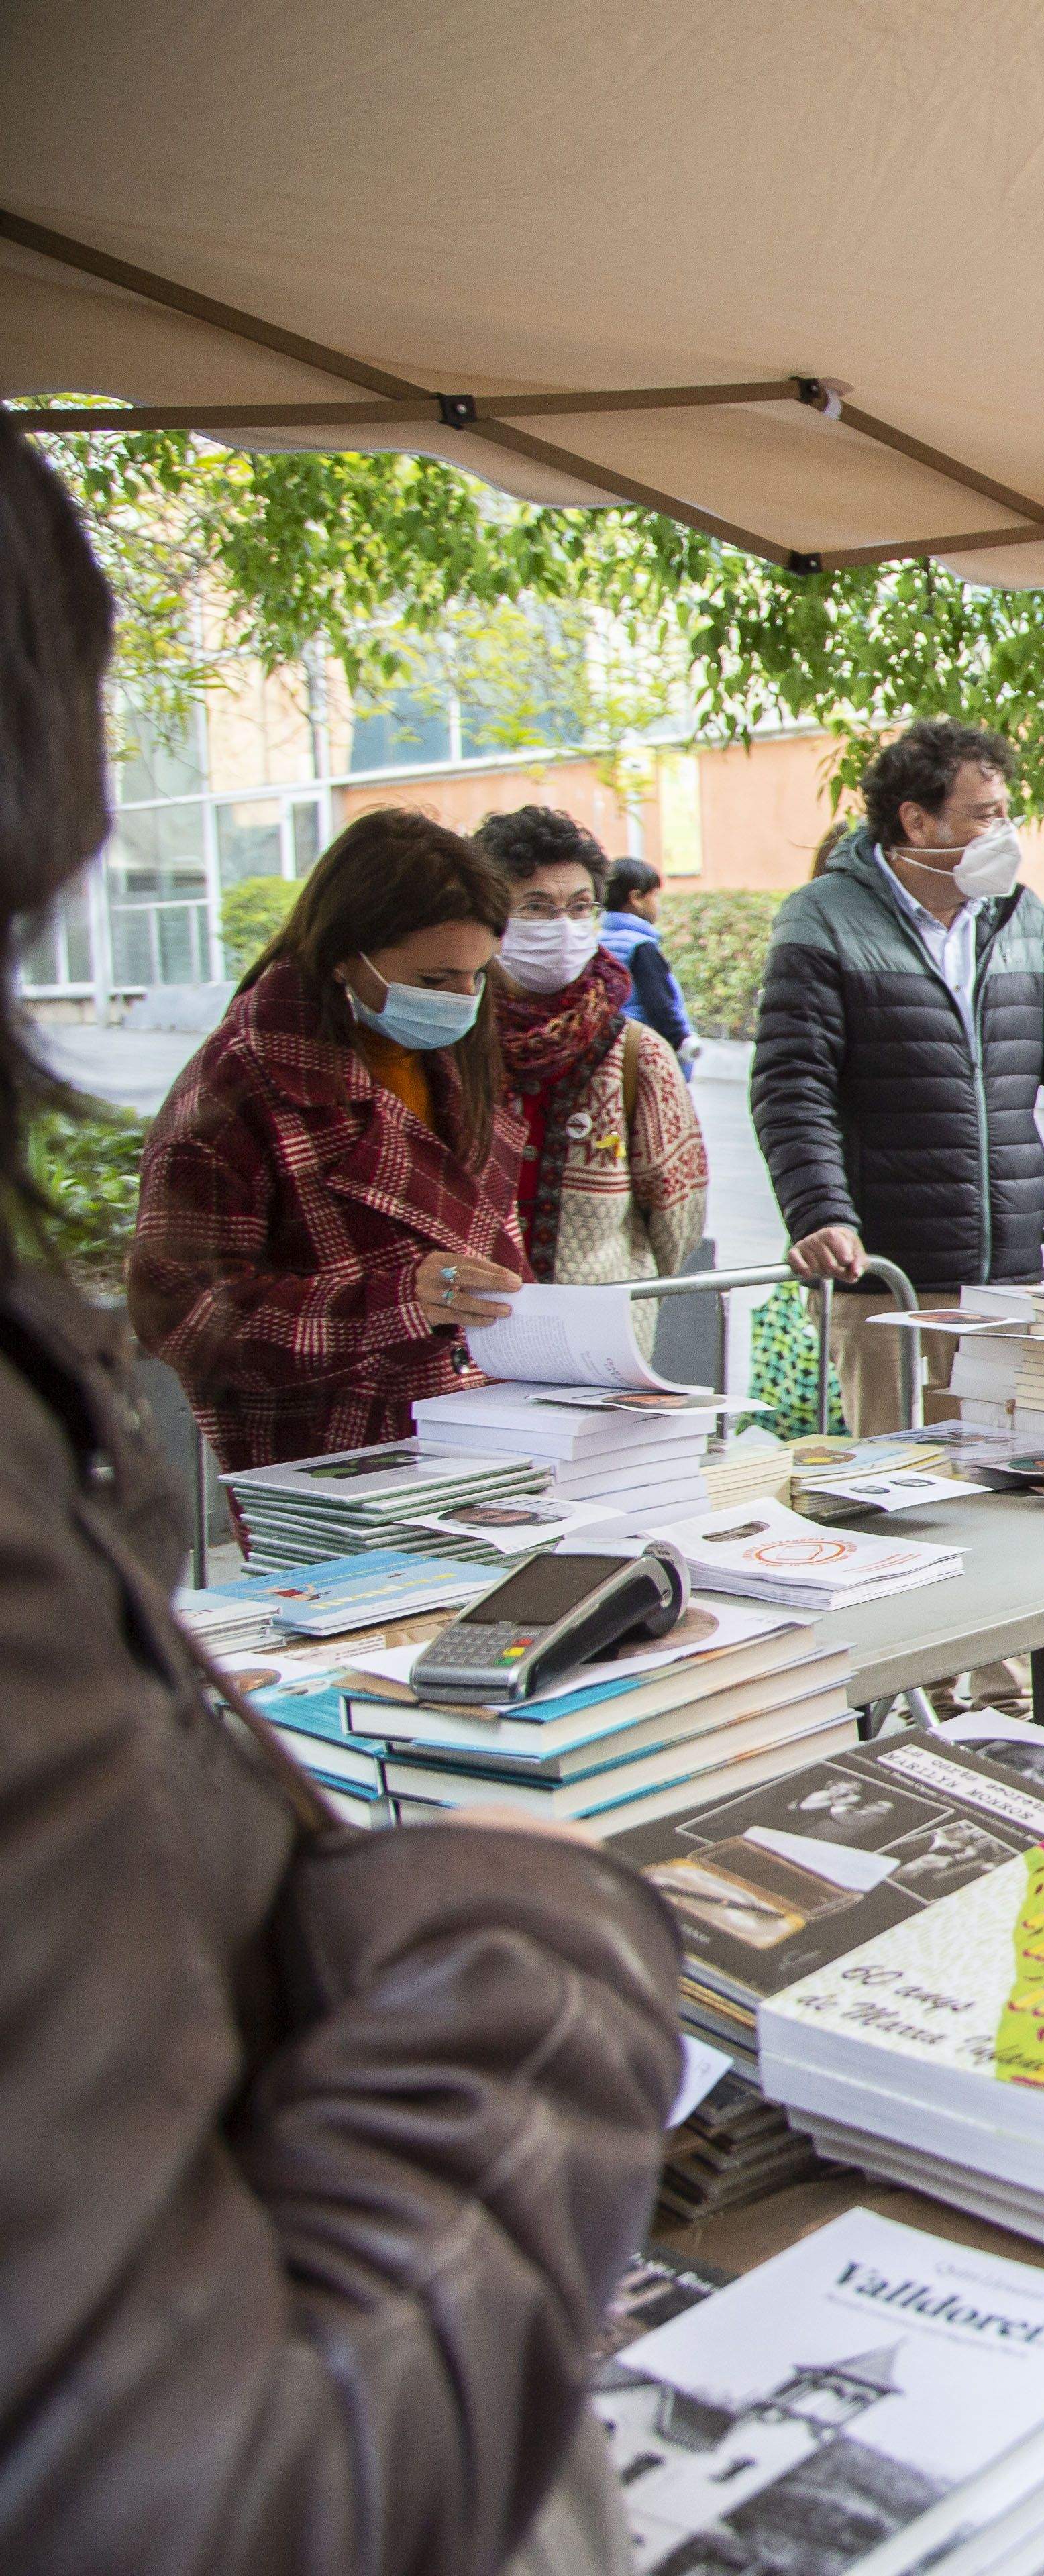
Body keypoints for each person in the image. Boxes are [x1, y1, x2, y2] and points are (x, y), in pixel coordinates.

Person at [1, 425, 679, 2576]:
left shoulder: (468, 1053)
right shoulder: (240, 1078)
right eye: (454, 960)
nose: (482, 990)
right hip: (310, 1498)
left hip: (469, 1462)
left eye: (502, 962)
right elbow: (185, 1329)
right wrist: (536, 1942)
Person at [749, 718, 1044, 1434]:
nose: (1004, 833)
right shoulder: (823, 918)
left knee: (1007, 1474)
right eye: (985, 817)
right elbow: (793, 1087)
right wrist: (821, 1214)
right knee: (896, 1484)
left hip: (1004, 1277)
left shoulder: (1020, 917)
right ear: (916, 821)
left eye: (1005, 813)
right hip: (886, 1275)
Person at [134, 809, 531, 1471]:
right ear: (348, 955)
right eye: (435, 981)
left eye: (479, 974)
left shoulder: (460, 1060)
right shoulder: (236, 1089)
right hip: (329, 1466)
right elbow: (179, 1312)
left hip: (485, 1436)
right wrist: (392, 1302)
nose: (464, 1000)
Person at [475, 806, 707, 1287]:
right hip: (466, 1343)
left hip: (595, 1345)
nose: (563, 925)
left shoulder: (636, 1055)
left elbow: (677, 1225)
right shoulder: (448, 1044)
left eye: (581, 906)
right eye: (536, 907)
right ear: (490, 916)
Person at [600, 852, 694, 1057]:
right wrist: (682, 1042)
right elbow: (660, 1004)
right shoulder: (642, 947)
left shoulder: (599, 941)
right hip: (644, 1050)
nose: (657, 904)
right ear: (636, 899)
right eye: (654, 895)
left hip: (610, 1047)